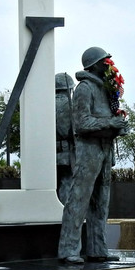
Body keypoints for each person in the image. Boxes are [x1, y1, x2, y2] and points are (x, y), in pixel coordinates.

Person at [57, 47, 127, 264]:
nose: (108, 64)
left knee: (101, 202)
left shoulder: (106, 89)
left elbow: (108, 117)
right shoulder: (84, 88)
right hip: (88, 150)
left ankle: (97, 248)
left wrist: (119, 125)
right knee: (78, 200)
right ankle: (69, 249)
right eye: (104, 60)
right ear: (93, 65)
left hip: (105, 149)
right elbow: (81, 123)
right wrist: (110, 123)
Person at [55, 71, 76, 203]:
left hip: (48, 155)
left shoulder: (44, 104)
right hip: (67, 154)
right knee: (67, 184)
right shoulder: (72, 105)